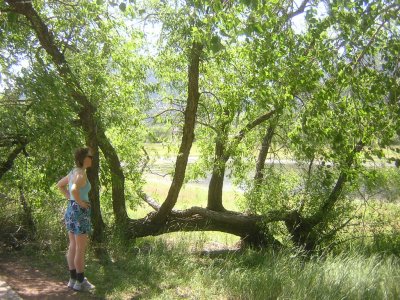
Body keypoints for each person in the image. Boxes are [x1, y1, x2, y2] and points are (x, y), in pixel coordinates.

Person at [56, 147, 95, 292]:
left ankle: (72, 280)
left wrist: (71, 199)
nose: (92, 159)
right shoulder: (80, 174)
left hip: (71, 210)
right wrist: (80, 202)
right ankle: (80, 281)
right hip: (80, 212)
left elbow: (60, 185)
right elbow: (73, 189)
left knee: (73, 245)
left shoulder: (73, 172)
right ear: (84, 159)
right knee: (80, 249)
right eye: (90, 156)